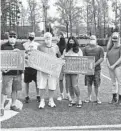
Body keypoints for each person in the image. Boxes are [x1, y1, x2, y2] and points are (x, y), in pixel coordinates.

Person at [0, 31, 25, 116]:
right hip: (7, 73)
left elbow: (24, 57)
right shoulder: (3, 46)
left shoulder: (20, 45)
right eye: (10, 36)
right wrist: (2, 68)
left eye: (14, 36)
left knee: (15, 89)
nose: (12, 37)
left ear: (16, 37)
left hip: (18, 72)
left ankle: (13, 105)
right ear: (8, 37)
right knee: (5, 90)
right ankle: (1, 107)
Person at [37, 32, 61, 109]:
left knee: (52, 85)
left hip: (52, 70)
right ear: (44, 38)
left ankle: (51, 100)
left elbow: (59, 56)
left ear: (51, 38)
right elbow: (37, 57)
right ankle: (42, 100)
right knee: (42, 86)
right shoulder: (40, 46)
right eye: (46, 37)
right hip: (42, 69)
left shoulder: (56, 46)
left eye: (49, 37)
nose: (47, 39)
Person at [62, 36, 83, 108]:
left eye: (72, 41)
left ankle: (79, 99)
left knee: (74, 85)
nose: (71, 42)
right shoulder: (66, 50)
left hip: (75, 71)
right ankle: (73, 99)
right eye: (70, 41)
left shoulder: (78, 50)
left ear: (75, 42)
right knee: (69, 86)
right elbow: (63, 58)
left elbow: (82, 60)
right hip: (67, 71)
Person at [83, 35, 104, 104]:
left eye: (93, 39)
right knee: (89, 84)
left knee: (96, 84)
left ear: (96, 40)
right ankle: (88, 97)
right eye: (91, 38)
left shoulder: (100, 48)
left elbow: (102, 58)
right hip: (88, 69)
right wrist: (87, 65)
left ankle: (97, 97)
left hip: (97, 69)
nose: (92, 39)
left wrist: (94, 64)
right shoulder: (85, 49)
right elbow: (83, 58)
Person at [23, 32, 40, 103]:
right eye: (30, 35)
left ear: (34, 37)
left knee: (37, 82)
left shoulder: (37, 45)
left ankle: (38, 95)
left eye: (33, 35)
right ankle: (26, 96)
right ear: (28, 36)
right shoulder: (24, 44)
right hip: (27, 66)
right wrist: (25, 56)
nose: (31, 36)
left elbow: (40, 55)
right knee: (26, 82)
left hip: (35, 66)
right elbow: (22, 53)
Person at [106, 31, 121, 105]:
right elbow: (107, 57)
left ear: (119, 38)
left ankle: (120, 100)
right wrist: (109, 65)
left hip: (118, 67)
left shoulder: (120, 46)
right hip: (110, 68)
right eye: (113, 38)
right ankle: (114, 98)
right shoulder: (109, 47)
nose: (114, 39)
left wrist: (114, 65)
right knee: (113, 83)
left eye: (116, 37)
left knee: (120, 83)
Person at [57, 32, 71, 101]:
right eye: (60, 36)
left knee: (67, 80)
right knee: (60, 79)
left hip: (67, 64)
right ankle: (61, 94)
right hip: (59, 65)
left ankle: (68, 94)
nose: (61, 37)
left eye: (62, 36)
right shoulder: (56, 45)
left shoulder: (67, 46)